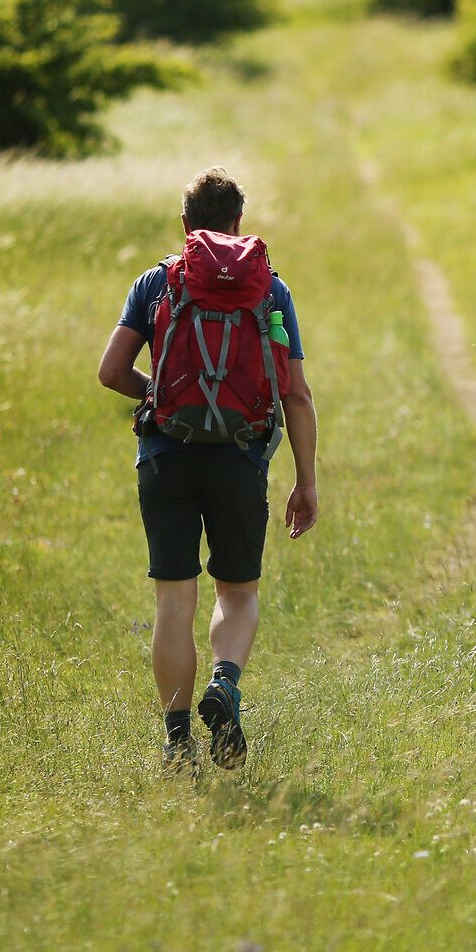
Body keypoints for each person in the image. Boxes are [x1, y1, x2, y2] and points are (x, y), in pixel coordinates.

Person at [97, 168, 318, 770]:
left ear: (185, 224)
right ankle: (224, 684)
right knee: (238, 593)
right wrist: (307, 479)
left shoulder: (156, 282)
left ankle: (176, 740)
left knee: (175, 601)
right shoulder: (271, 289)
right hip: (240, 459)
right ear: (239, 225)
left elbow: (110, 371)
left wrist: (159, 397)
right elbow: (294, 394)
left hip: (167, 455)